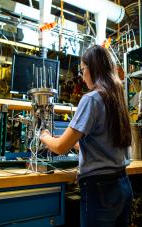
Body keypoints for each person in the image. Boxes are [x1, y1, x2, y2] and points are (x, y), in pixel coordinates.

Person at [40, 45, 133, 227]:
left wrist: (44, 136)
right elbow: (102, 142)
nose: (82, 77)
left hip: (100, 189)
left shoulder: (91, 98)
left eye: (83, 70)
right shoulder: (116, 97)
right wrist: (72, 143)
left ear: (93, 69)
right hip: (122, 184)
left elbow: (60, 148)